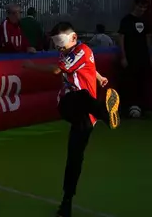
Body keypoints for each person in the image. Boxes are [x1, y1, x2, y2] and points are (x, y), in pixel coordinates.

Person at [23, 22, 120, 217]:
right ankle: (105, 113)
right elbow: (88, 67)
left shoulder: (81, 50)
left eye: (61, 41)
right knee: (80, 96)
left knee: (75, 157)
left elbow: (55, 71)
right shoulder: (72, 53)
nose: (58, 46)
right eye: (55, 42)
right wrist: (100, 77)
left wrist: (32, 66)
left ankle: (66, 203)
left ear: (73, 38)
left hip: (85, 114)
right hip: (70, 105)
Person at [117, 0, 152, 117]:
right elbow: (121, 38)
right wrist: (123, 56)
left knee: (142, 83)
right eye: (140, 6)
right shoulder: (126, 20)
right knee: (128, 83)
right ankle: (127, 109)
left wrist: (150, 56)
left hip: (143, 57)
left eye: (144, 7)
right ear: (135, 5)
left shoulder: (145, 21)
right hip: (130, 57)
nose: (142, 9)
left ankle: (141, 109)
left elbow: (148, 38)